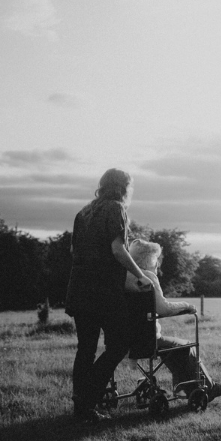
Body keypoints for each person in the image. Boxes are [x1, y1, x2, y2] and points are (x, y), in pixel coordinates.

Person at [65, 168, 153, 423]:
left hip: (79, 288)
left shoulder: (83, 212)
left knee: (86, 349)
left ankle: (81, 407)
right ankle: (87, 399)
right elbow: (117, 249)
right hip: (102, 290)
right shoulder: (116, 209)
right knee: (119, 345)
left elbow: (74, 250)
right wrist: (140, 274)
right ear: (123, 187)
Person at [125, 238, 221, 402]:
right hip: (148, 340)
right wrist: (187, 306)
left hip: (124, 340)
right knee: (186, 346)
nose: (157, 264)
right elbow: (164, 309)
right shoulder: (147, 277)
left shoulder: (123, 277)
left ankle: (186, 388)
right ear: (150, 260)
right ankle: (208, 387)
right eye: (156, 260)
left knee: (174, 349)